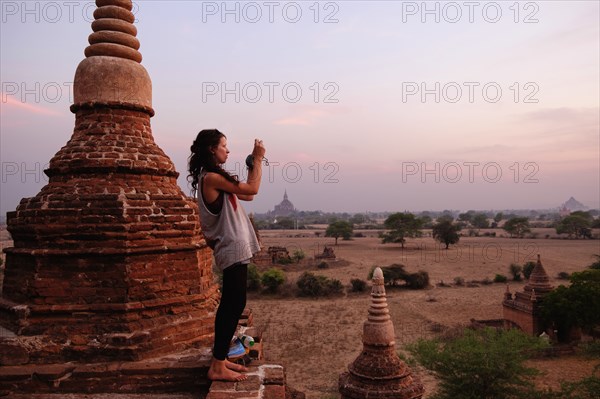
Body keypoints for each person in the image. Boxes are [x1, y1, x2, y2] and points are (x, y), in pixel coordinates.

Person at [188, 129, 265, 382]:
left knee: (234, 303)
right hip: (231, 246)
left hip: (235, 246)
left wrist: (253, 164)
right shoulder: (210, 178)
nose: (227, 150)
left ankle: (219, 360)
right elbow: (253, 186)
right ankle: (218, 364)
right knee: (232, 304)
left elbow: (249, 193)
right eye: (224, 145)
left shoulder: (215, 178)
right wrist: (259, 158)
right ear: (212, 149)